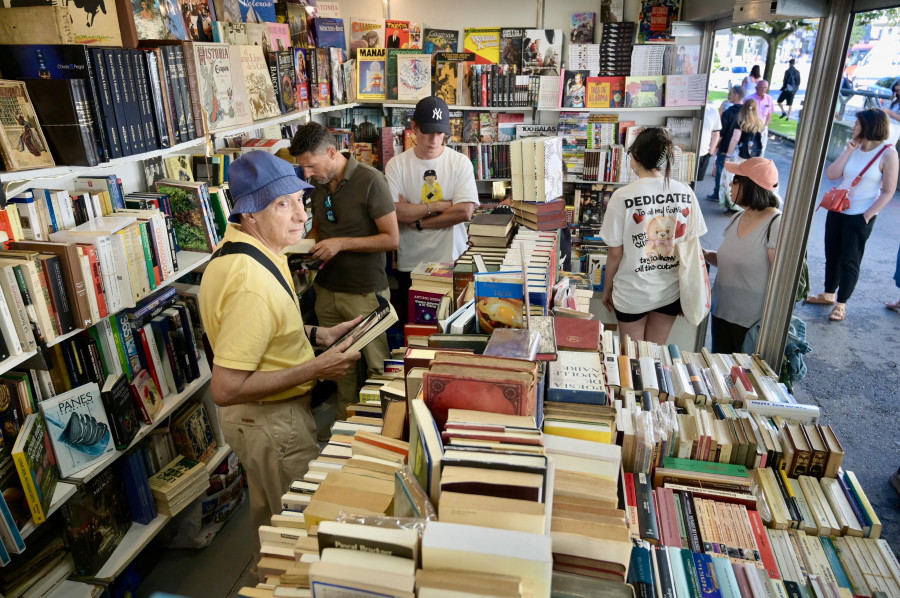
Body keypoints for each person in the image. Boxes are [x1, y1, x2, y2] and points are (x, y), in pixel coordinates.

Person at [199, 151, 363, 554]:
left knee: (274, 529)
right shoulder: (250, 282)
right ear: (251, 214)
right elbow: (225, 387)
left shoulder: (247, 250)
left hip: (260, 424)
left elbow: (262, 329)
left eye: (300, 202)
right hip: (273, 424)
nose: (301, 216)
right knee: (301, 543)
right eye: (283, 204)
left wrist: (317, 335)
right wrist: (316, 369)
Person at [289, 122, 399, 425]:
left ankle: (382, 434)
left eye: (311, 166)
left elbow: (391, 239)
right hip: (325, 289)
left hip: (364, 291)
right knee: (339, 367)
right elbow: (318, 230)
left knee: (377, 367)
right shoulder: (319, 184)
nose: (307, 174)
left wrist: (341, 244)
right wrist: (295, 249)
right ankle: (343, 429)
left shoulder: (371, 181)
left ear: (331, 151)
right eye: (303, 168)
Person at [599, 127, 708, 344]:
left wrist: (607, 288)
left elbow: (615, 253)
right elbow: (691, 244)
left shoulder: (622, 196)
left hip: (632, 291)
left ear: (636, 156)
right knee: (654, 355)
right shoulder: (685, 191)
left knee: (631, 360)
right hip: (670, 291)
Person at [385, 95, 478, 324]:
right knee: (417, 331)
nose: (434, 139)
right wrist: (438, 205)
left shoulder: (460, 162)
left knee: (452, 331)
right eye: (427, 132)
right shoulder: (396, 164)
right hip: (412, 265)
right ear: (414, 127)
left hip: (452, 260)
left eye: (439, 132)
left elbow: (464, 212)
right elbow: (396, 213)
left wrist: (418, 220)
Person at [806, 108, 899, 321]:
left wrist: (866, 216)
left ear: (870, 126)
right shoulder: (854, 148)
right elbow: (832, 174)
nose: (853, 127)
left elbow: (888, 191)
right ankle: (828, 294)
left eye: (857, 123)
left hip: (860, 213)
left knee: (850, 260)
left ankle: (841, 304)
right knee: (832, 253)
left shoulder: (888, 153)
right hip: (838, 209)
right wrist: (848, 151)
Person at [703, 158, 781, 353]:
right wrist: (702, 254)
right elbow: (729, 260)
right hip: (722, 312)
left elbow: (781, 280)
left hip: (750, 322)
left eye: (736, 180)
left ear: (751, 186)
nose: (730, 183)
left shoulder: (776, 223)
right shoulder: (738, 216)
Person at [720, 98, 765, 211]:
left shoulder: (740, 122)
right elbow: (762, 142)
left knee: (731, 179)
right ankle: (745, 203)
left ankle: (733, 203)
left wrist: (728, 156)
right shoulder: (760, 123)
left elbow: (735, 139)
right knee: (747, 181)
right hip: (753, 158)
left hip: (739, 156)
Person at [707, 85, 745, 201]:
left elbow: (721, 132)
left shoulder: (729, 113)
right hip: (740, 150)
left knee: (720, 171)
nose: (729, 96)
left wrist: (714, 147)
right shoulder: (746, 112)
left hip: (725, 147)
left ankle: (718, 193)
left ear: (736, 95)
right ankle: (733, 196)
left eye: (731, 93)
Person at [746, 79, 774, 156]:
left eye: (765, 88)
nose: (763, 89)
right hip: (752, 126)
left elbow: (769, 114)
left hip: (763, 127)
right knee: (749, 148)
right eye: (761, 87)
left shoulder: (769, 99)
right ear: (756, 88)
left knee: (761, 148)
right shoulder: (749, 99)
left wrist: (765, 126)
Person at [696, 100, 722, 182]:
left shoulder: (712, 111)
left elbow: (716, 134)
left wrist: (710, 153)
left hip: (703, 154)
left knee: (695, 184)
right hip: (682, 154)